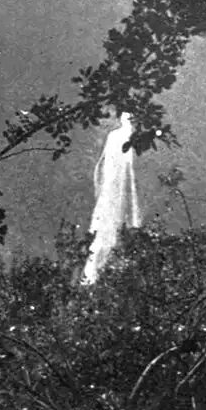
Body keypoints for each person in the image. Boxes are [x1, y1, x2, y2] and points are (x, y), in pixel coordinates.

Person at [81, 111, 140, 285]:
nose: (129, 120)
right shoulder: (115, 137)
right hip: (115, 186)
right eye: (126, 116)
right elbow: (108, 166)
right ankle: (95, 273)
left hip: (130, 186)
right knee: (107, 228)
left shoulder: (140, 138)